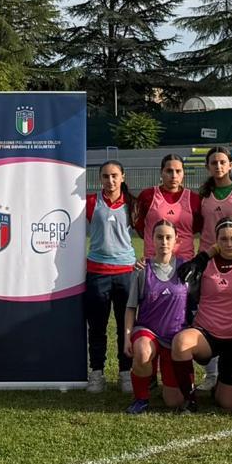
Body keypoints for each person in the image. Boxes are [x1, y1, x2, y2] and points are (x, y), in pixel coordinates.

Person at [171, 219, 232, 412]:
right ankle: (189, 399)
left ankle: (221, 384)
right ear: (217, 241)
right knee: (181, 342)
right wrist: (208, 253)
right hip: (207, 334)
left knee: (228, 403)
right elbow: (184, 272)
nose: (229, 244)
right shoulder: (206, 264)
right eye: (224, 239)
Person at [122, 221, 194, 414]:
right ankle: (141, 399)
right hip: (148, 332)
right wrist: (127, 336)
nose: (164, 241)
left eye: (168, 237)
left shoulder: (186, 269)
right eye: (159, 237)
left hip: (175, 338)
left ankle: (169, 381)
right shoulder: (142, 269)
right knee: (143, 351)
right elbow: (130, 307)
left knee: (173, 401)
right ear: (151, 240)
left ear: (176, 240)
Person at [84, 161, 138, 393]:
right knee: (97, 326)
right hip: (97, 273)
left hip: (126, 273)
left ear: (123, 177)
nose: (110, 180)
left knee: (125, 327)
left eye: (115, 175)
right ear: (100, 179)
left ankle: (126, 372)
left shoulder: (133, 204)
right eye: (105, 176)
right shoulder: (90, 202)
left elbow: (150, 231)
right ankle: (97, 373)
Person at [132, 154, 201, 265]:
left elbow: (197, 228)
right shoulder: (147, 196)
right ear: (161, 172)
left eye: (178, 171)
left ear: (183, 173)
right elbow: (139, 227)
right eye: (169, 171)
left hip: (184, 262)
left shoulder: (194, 199)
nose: (174, 176)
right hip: (154, 261)